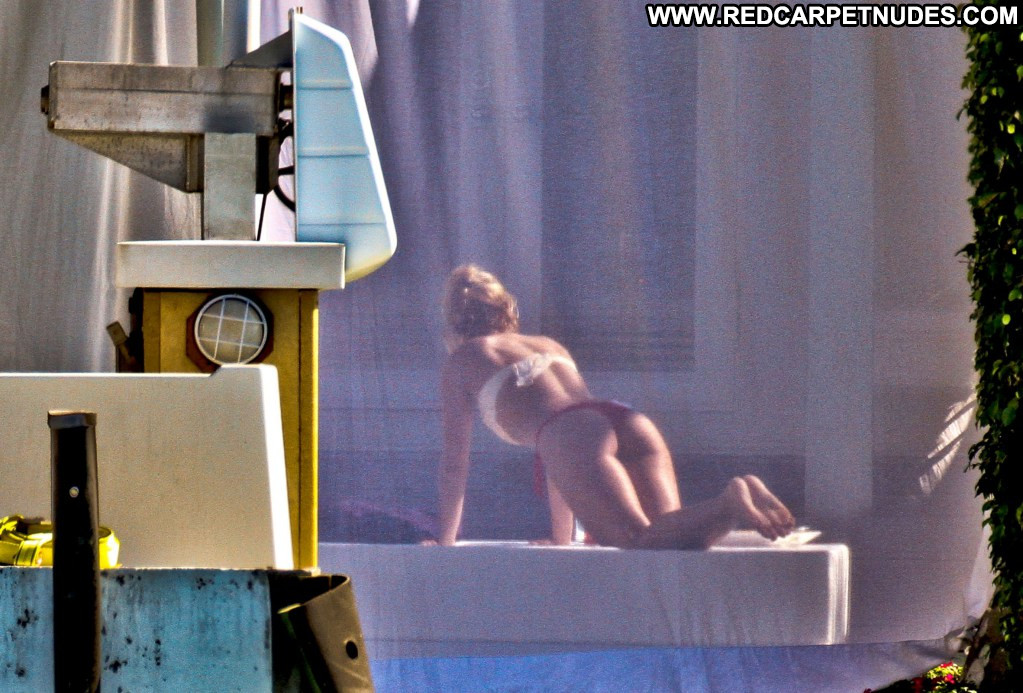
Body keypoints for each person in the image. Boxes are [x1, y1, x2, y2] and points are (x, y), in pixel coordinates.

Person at [434, 264, 795, 549]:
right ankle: (737, 495)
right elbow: (561, 448)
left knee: (639, 540)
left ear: (453, 319)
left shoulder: (463, 360)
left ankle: (731, 501)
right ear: (503, 307)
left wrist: (444, 543)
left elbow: (455, 464)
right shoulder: (547, 344)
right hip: (624, 419)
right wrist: (561, 539)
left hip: (577, 434)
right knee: (670, 535)